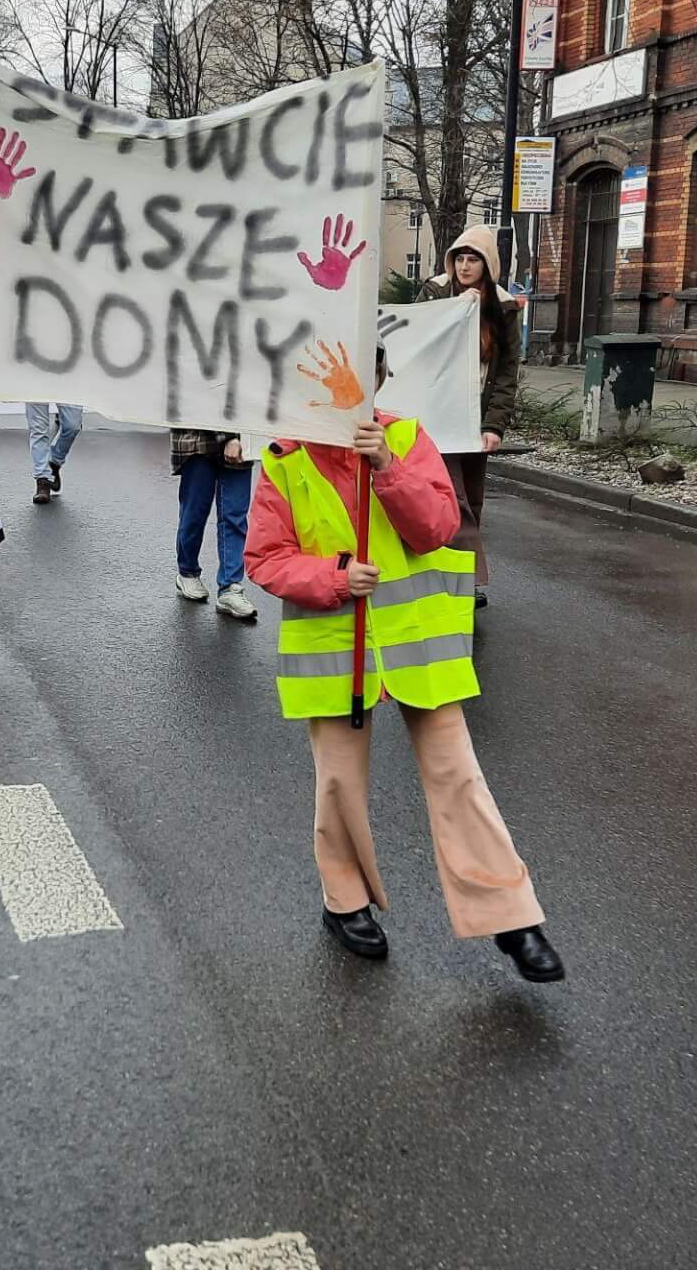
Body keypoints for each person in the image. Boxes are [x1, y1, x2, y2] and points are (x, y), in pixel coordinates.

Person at [243, 335, 562, 983]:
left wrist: (387, 466)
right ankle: (345, 901)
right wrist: (334, 576)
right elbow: (265, 558)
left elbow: (438, 528)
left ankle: (512, 917)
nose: (346, 391)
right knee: (339, 783)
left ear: (381, 378)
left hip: (418, 648)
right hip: (336, 647)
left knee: (457, 777)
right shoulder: (282, 458)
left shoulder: (409, 437)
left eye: (364, 375)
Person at [417, 226, 520, 608]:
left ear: (486, 265)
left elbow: (507, 369)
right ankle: (464, 577)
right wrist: (457, 310)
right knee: (451, 496)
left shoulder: (503, 306)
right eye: (459, 258)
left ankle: (452, 571)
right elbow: (417, 343)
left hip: (474, 416)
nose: (463, 266)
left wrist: (495, 424)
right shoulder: (434, 292)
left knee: (472, 498)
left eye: (472, 259)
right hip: (436, 414)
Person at [171, 428, 256, 621]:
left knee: (234, 515)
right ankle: (187, 572)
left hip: (241, 437)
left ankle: (230, 587)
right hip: (199, 439)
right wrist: (229, 437)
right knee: (195, 511)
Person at [27, 403, 83, 505]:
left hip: (68, 386)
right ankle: (43, 480)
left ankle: (54, 461)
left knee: (72, 426)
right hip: (35, 387)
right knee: (38, 429)